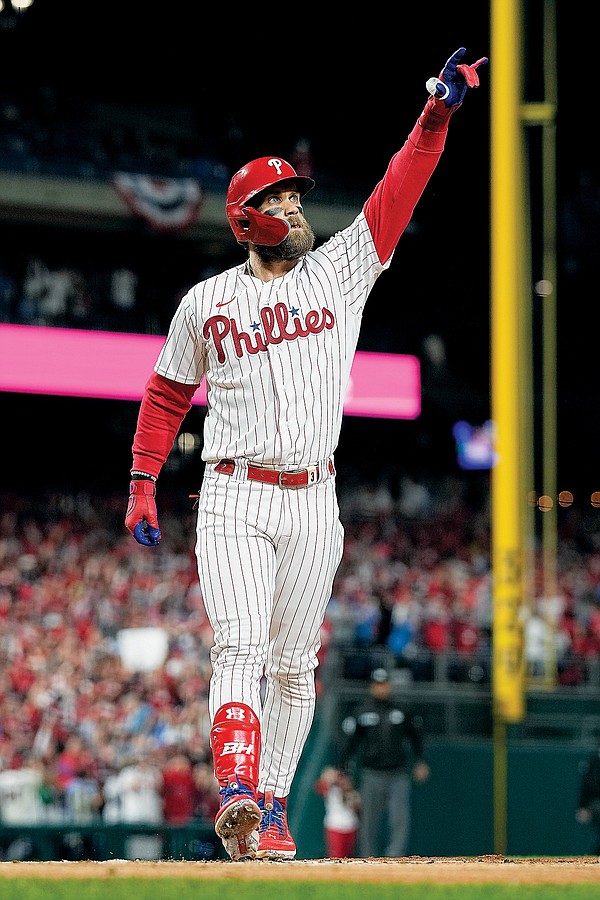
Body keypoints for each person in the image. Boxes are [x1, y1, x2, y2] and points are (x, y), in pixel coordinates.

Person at [124, 47, 487, 862]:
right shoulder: (207, 302)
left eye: (295, 195)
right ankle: (239, 791)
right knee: (242, 647)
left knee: (294, 668)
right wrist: (144, 480)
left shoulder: (338, 274)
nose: (295, 207)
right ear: (246, 216)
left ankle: (275, 806)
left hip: (315, 497)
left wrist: (435, 116)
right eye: (278, 198)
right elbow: (165, 394)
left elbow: (398, 189)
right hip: (234, 496)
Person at [337, 668, 430, 858]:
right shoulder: (362, 712)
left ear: (389, 685)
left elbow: (417, 736)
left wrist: (421, 760)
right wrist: (343, 770)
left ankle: (395, 856)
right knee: (369, 819)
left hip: (398, 772)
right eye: (378, 684)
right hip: (372, 772)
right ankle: (368, 856)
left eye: (384, 684)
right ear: (372, 687)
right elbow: (350, 744)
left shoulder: (401, 709)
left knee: (399, 818)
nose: (381, 688)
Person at [314, 765, 361, 859]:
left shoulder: (353, 794)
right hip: (335, 826)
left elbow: (358, 810)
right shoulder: (332, 790)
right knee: (336, 856)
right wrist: (330, 778)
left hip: (351, 826)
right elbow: (319, 787)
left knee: (349, 856)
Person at [575, 744, 600, 854]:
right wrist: (582, 807)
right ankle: (593, 856)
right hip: (595, 804)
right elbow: (586, 787)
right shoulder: (593, 763)